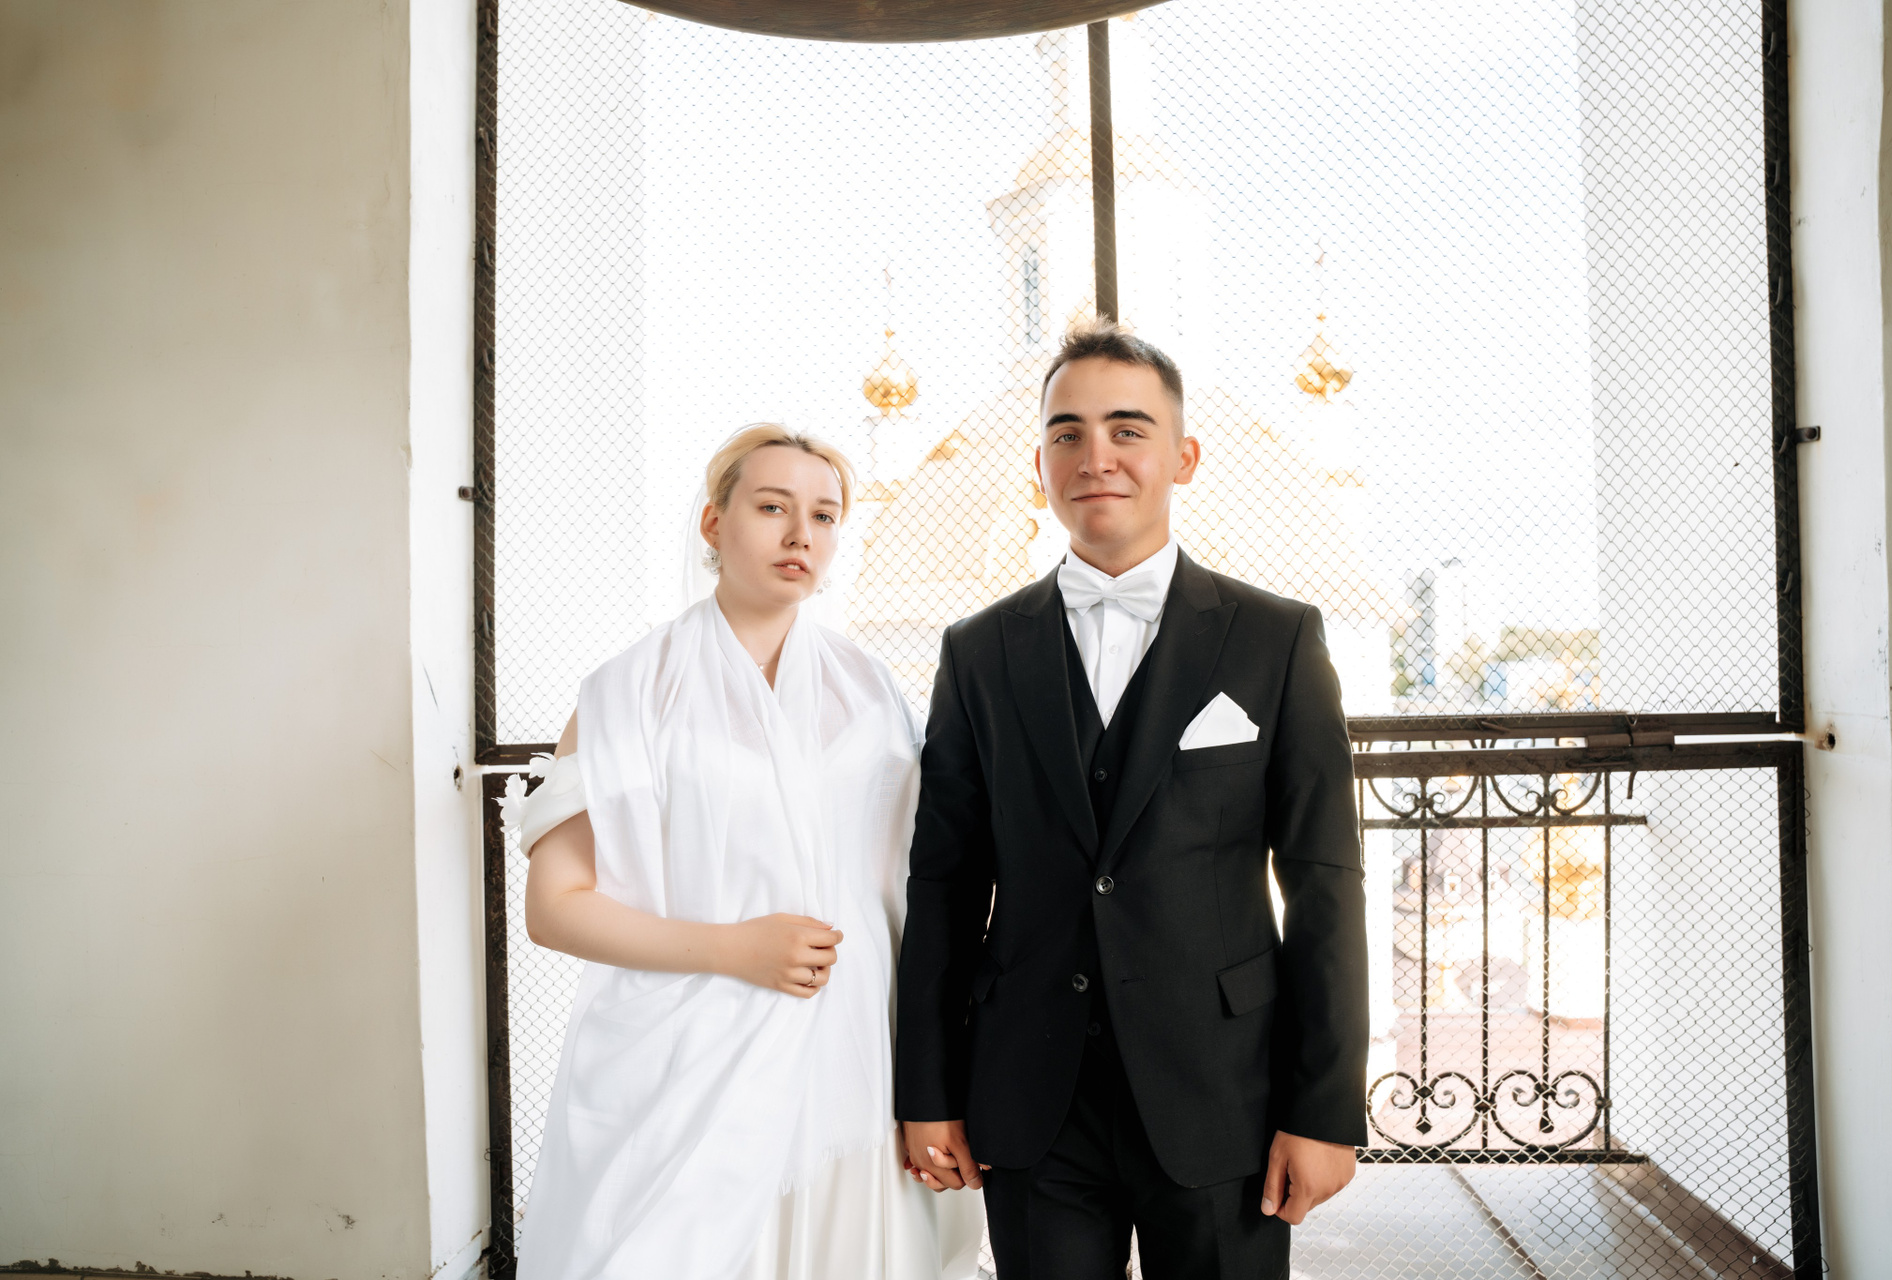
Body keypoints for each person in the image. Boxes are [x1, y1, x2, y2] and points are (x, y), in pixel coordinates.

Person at [894, 324, 1369, 1280]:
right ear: (1039, 463)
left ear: (1182, 457)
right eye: (1066, 434)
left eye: (1127, 429)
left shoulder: (1275, 639)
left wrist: (1323, 1110)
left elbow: (1324, 882)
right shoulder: (977, 652)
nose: (1096, 457)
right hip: (1032, 1094)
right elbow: (943, 883)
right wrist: (927, 1092)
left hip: (1223, 1092)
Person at [504, 424, 983, 1280]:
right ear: (712, 522)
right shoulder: (628, 692)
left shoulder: (874, 692)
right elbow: (554, 908)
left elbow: (928, 878)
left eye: (825, 515)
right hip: (687, 1061)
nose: (802, 534)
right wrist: (736, 949)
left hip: (854, 1053)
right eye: (771, 507)